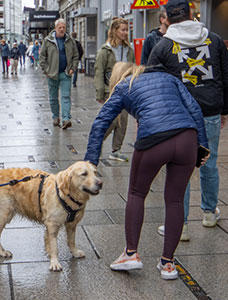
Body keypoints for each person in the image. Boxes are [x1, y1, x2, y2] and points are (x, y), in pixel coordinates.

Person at [84, 62, 209, 280]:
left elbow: (101, 122)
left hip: (154, 138)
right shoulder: (168, 78)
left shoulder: (124, 86)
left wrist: (90, 162)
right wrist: (202, 148)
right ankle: (168, 264)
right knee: (175, 200)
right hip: (187, 137)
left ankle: (131, 253)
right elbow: (195, 109)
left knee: (136, 193)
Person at [148, 0, 228, 240]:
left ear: (167, 18)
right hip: (210, 110)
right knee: (209, 162)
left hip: (179, 114)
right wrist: (224, 109)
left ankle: (179, 225)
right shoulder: (213, 40)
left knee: (179, 168)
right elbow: (225, 75)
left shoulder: (163, 46)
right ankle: (209, 213)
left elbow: (152, 83)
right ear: (191, 14)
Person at [94, 17, 135, 162]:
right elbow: (99, 71)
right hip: (109, 90)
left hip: (125, 89)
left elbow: (132, 68)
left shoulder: (128, 49)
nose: (125, 32)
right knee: (111, 120)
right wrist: (100, 92)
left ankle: (116, 150)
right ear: (115, 31)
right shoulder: (105, 50)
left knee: (123, 121)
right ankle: (96, 145)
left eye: (126, 30)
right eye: (123, 30)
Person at [39, 18, 79, 129]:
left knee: (66, 96)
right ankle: (55, 117)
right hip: (52, 74)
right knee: (53, 98)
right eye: (59, 27)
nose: (62, 29)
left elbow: (76, 56)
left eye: (63, 27)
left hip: (66, 73)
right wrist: (46, 70)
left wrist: (72, 68)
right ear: (55, 28)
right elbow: (42, 57)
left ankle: (66, 119)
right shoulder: (48, 41)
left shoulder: (70, 40)